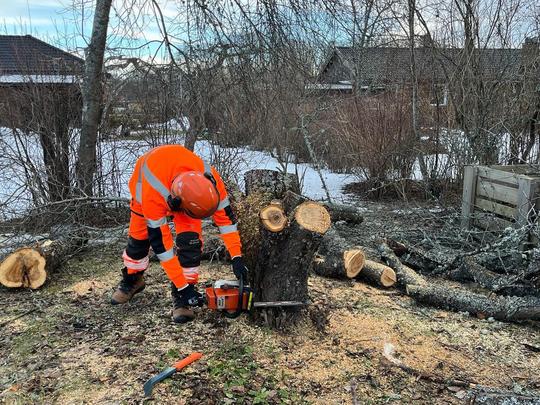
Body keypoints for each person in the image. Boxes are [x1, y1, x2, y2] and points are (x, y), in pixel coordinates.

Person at [111, 144, 247, 324]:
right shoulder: (153, 193)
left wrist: (237, 257)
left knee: (190, 244)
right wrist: (183, 286)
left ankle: (182, 299)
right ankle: (132, 279)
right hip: (146, 195)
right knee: (138, 243)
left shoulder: (210, 179)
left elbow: (226, 222)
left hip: (183, 189)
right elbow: (163, 248)